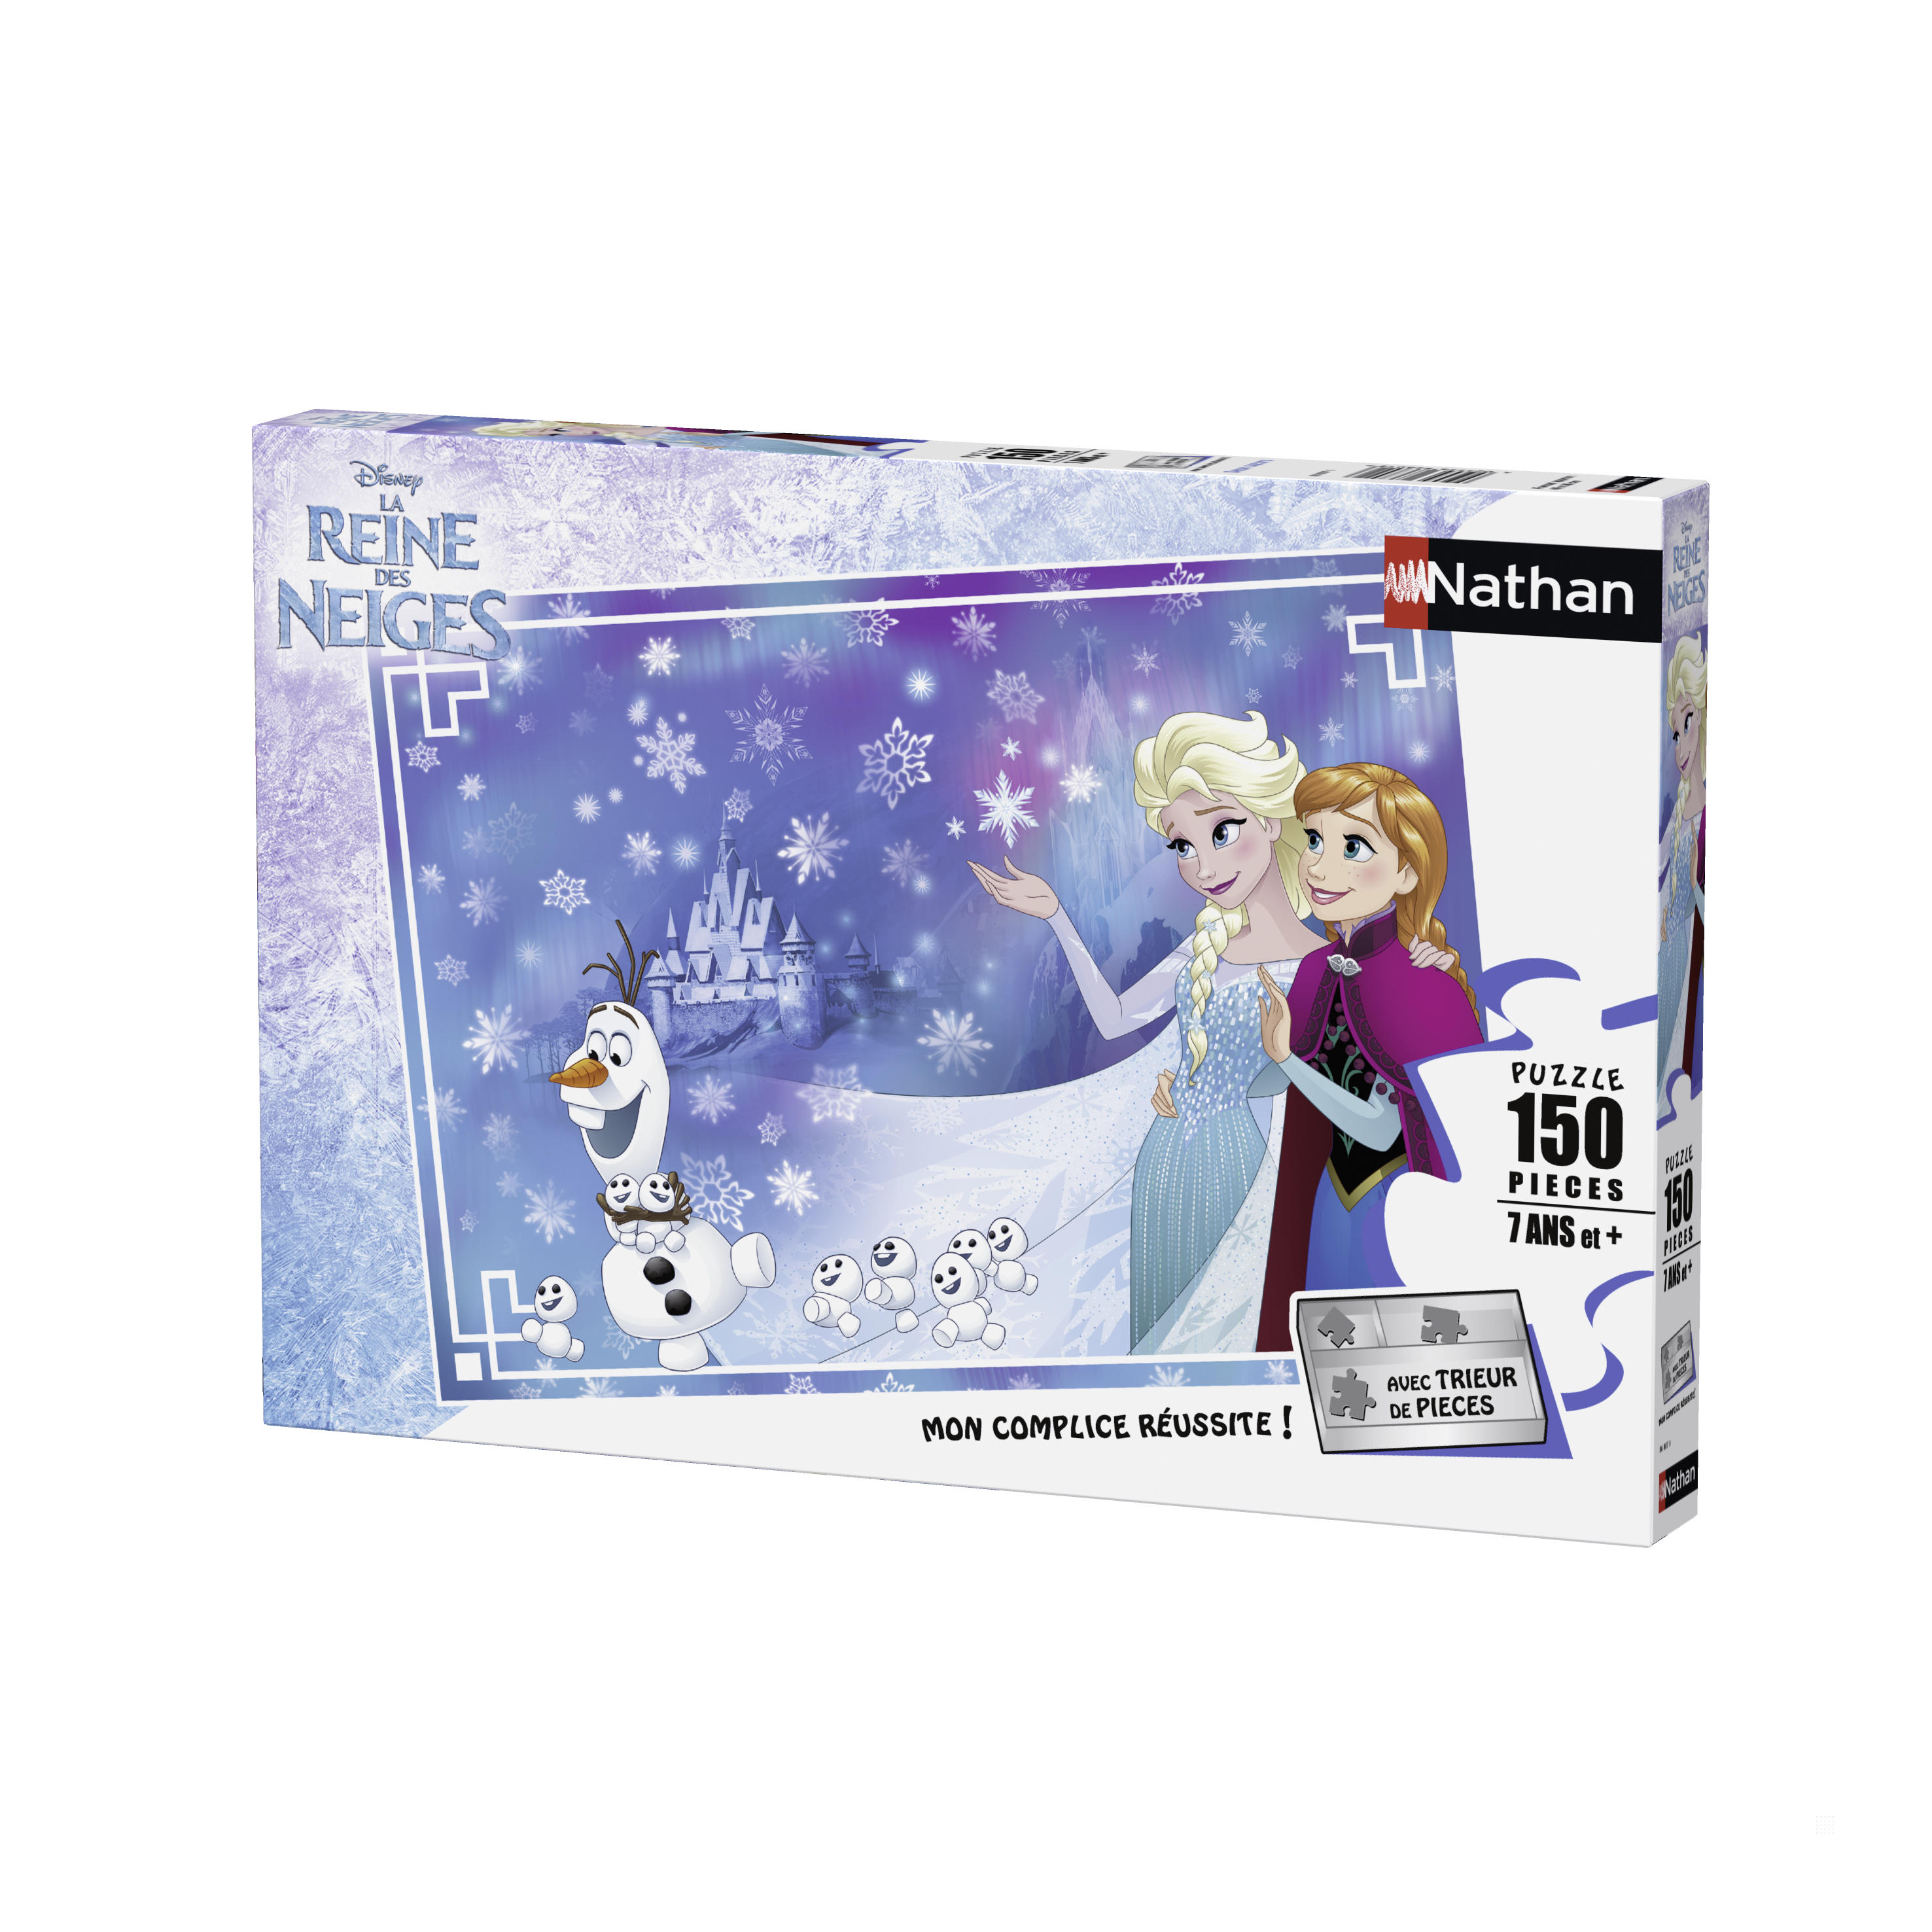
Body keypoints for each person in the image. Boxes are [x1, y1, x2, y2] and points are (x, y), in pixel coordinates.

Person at [972, 712, 1454, 1351]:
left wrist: (1419, 956)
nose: (1203, 865)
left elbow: (1339, 1082)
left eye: (1222, 832)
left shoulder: (1324, 964)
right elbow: (1114, 1019)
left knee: (1224, 1330)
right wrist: (1059, 917)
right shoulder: (1207, 947)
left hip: (1249, 1163)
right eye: (1183, 846)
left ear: (1270, 822)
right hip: (1166, 1159)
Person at [1252, 763, 1484, 1352]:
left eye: (1353, 846)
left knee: (1396, 1365)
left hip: (1401, 1207)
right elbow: (1280, 1091)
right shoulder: (1315, 969)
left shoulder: (1428, 985)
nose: (1318, 866)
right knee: (1331, 1366)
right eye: (1314, 839)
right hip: (1330, 1201)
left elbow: (1381, 1128)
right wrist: (1271, 1064)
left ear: (1407, 871)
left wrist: (1286, 1060)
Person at [1657, 636, 1707, 1110]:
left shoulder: (1706, 817)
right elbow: (1659, 863)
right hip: (1665, 945)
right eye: (1675, 733)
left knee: (1677, 1040)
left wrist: (1695, 890)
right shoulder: (1679, 810)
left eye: (1687, 723)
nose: (1679, 747)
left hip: (1688, 947)